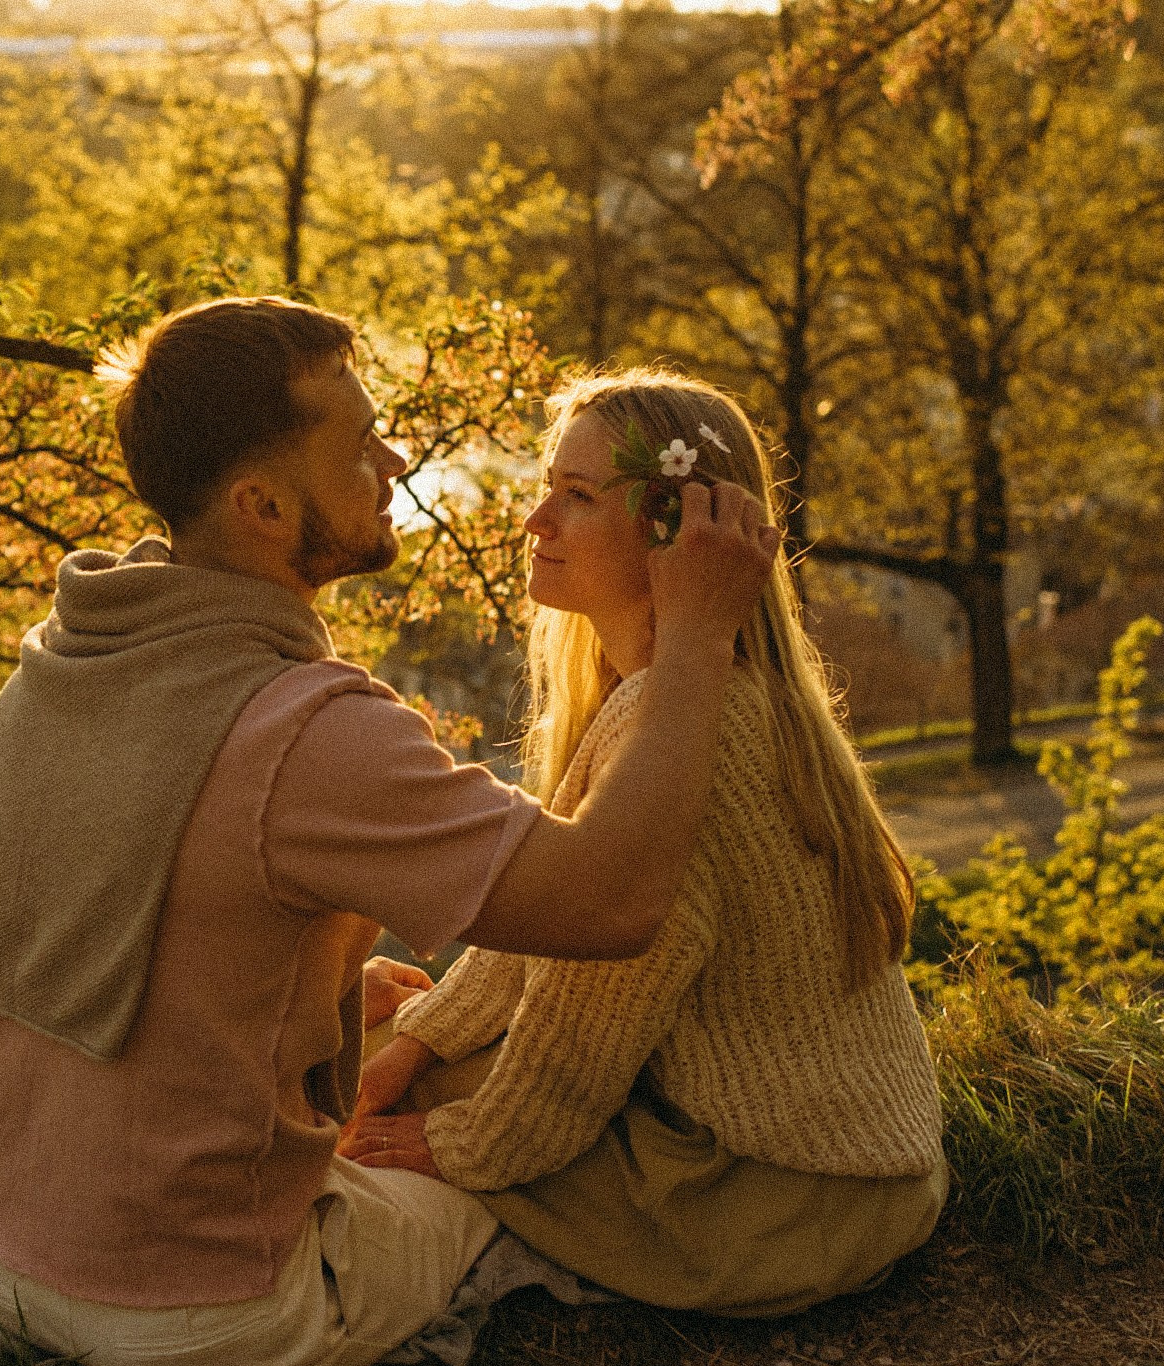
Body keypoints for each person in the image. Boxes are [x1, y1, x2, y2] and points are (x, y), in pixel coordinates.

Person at [0, 301, 779, 1366]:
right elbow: (610, 902)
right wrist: (700, 635)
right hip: (197, 1312)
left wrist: (319, 988)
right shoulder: (306, 733)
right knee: (519, 1199)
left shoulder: (63, 663)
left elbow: (132, 932)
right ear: (262, 504)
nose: (393, 461)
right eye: (357, 447)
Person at [341, 368, 948, 1318]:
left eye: (577, 497)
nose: (537, 519)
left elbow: (588, 1020)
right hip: (860, 1177)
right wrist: (422, 1043)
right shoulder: (695, 699)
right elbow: (546, 931)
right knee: (382, 1037)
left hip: (771, 1206)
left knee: (342, 1080)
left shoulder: (687, 734)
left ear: (677, 535)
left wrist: (460, 1145)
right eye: (548, 486)